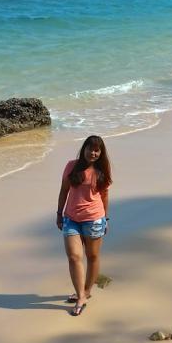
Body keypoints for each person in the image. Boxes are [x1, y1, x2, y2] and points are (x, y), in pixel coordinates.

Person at [56, 135, 111, 316]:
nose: (93, 153)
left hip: (94, 219)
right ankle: (81, 296)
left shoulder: (101, 170)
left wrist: (106, 219)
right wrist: (59, 213)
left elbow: (104, 196)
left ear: (100, 153)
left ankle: (87, 291)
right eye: (90, 148)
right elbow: (64, 190)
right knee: (73, 257)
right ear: (84, 149)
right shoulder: (71, 166)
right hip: (71, 218)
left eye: (97, 150)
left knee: (92, 256)